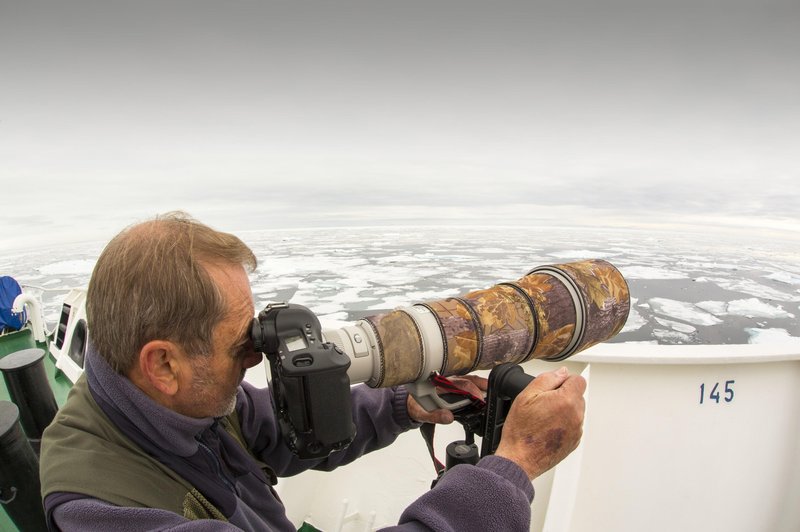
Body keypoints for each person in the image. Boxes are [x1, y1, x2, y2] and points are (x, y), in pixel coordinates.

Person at [39, 212, 586, 531]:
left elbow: (283, 431)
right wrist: (511, 466)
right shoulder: (103, 511)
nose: (255, 357)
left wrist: (408, 404)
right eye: (239, 343)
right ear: (163, 363)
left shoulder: (169, 399)